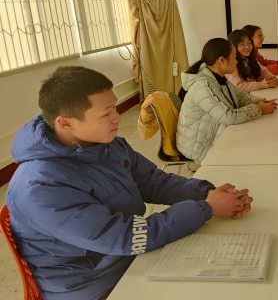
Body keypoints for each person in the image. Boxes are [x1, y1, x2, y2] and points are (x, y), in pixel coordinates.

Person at [5, 65, 255, 300]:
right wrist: (206, 208)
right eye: (106, 113)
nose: (117, 117)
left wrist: (206, 193)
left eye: (114, 107)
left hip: (119, 257)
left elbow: (152, 181)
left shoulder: (104, 143)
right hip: (94, 285)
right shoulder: (41, 188)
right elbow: (125, 237)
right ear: (65, 123)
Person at [177, 38, 278, 164]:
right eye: (234, 57)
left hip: (215, 134)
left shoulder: (219, 77)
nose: (237, 61)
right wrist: (258, 109)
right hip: (198, 146)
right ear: (221, 60)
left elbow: (240, 96)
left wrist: (258, 102)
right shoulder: (203, 85)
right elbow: (228, 116)